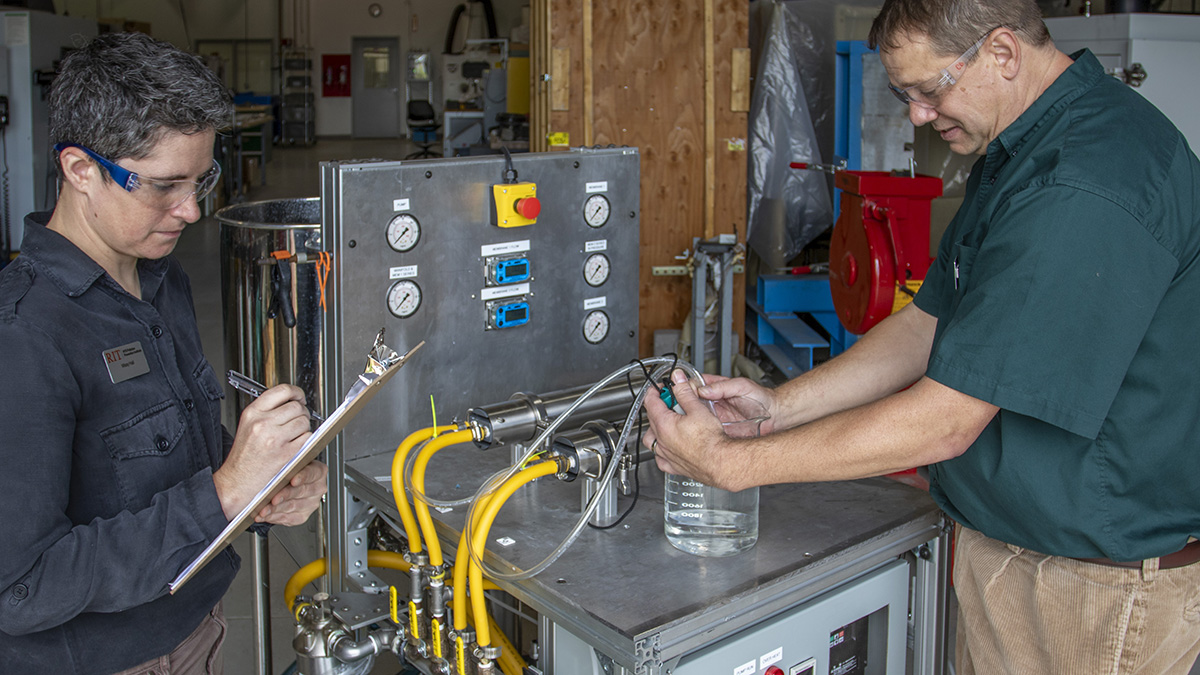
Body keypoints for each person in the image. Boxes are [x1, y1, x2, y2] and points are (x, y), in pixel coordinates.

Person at [644, 0, 1200, 672]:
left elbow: (946, 421)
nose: (916, 116)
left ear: (1002, 53)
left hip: (1091, 588)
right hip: (1020, 554)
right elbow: (928, 323)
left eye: (929, 90)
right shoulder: (1023, 142)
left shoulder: (1086, 179)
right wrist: (778, 407)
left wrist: (731, 465)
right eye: (904, 94)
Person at [0, 33, 327, 674]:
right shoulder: (24, 336)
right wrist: (225, 493)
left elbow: (178, 449)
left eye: (201, 179)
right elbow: (20, 587)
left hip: (193, 629)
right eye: (164, 186)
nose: (192, 210)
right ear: (80, 170)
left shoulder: (160, 279)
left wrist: (259, 487)